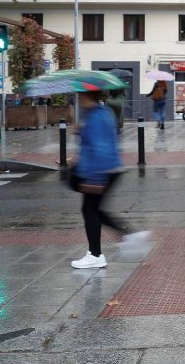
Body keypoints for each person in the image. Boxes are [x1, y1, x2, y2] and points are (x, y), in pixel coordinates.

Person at [69, 90, 127, 269]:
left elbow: (101, 147)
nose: (78, 99)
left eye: (80, 96)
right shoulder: (101, 113)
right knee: (94, 210)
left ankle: (96, 254)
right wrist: (80, 130)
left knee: (90, 210)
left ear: (87, 96)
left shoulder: (96, 117)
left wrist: (94, 179)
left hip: (99, 171)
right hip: (107, 168)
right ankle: (125, 235)